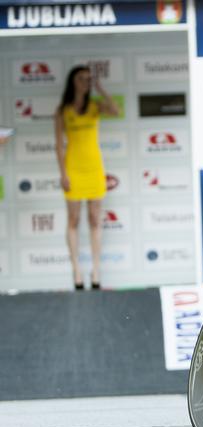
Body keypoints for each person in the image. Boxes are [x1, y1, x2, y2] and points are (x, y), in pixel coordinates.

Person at [55, 65, 119, 290]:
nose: (86, 82)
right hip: (73, 169)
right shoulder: (63, 110)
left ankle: (96, 270)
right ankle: (77, 271)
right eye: (82, 78)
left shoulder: (94, 106)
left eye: (88, 79)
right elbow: (58, 146)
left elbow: (115, 110)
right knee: (73, 221)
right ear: (73, 81)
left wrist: (101, 88)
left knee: (94, 220)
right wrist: (63, 174)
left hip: (94, 168)